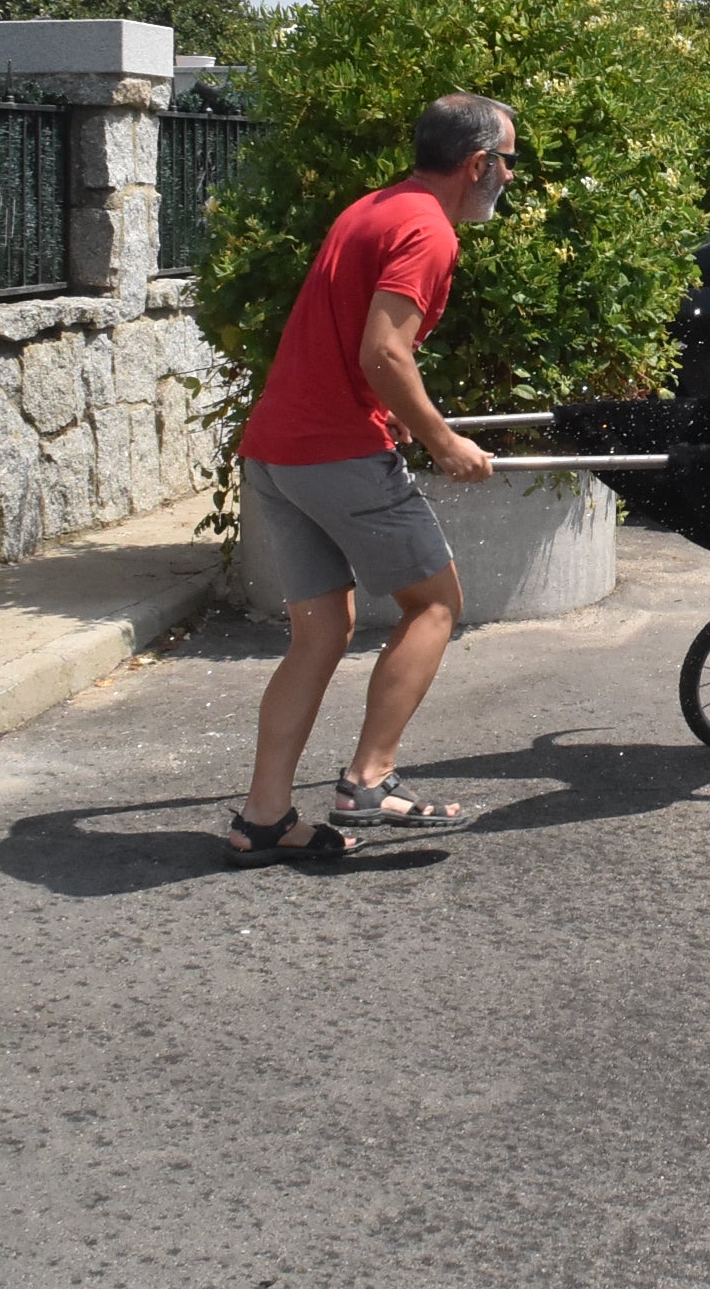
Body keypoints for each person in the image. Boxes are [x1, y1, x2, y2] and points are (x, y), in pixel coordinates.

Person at [221, 94, 514, 863]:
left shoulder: (374, 208)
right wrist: (443, 439)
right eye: (507, 162)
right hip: (337, 452)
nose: (509, 177)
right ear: (477, 164)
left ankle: (263, 819)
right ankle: (369, 779)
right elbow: (383, 352)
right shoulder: (427, 230)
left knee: (320, 632)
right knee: (435, 605)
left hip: (277, 451)